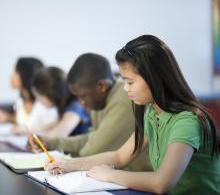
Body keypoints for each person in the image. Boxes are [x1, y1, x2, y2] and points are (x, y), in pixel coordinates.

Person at [45, 35, 220, 194]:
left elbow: (162, 183)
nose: (126, 88)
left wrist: (111, 174)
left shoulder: (187, 121)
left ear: (155, 78)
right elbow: (120, 156)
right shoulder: (152, 112)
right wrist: (68, 165)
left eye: (130, 82)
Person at [33, 53, 151, 171]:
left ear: (101, 85)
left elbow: (91, 150)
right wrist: (50, 142)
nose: (82, 102)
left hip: (140, 179)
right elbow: (90, 139)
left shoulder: (124, 98)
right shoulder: (99, 101)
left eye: (83, 96)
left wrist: (66, 161)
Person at [29, 66, 91, 137]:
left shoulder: (76, 106)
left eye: (38, 96)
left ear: (50, 95)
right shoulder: (67, 103)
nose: (37, 100)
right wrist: (26, 130)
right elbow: (55, 124)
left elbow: (56, 137)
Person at [9, 57, 58, 134]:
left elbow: (56, 126)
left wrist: (26, 130)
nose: (11, 77)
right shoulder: (20, 100)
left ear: (25, 75)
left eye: (15, 72)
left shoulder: (45, 102)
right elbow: (18, 125)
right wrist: (6, 118)